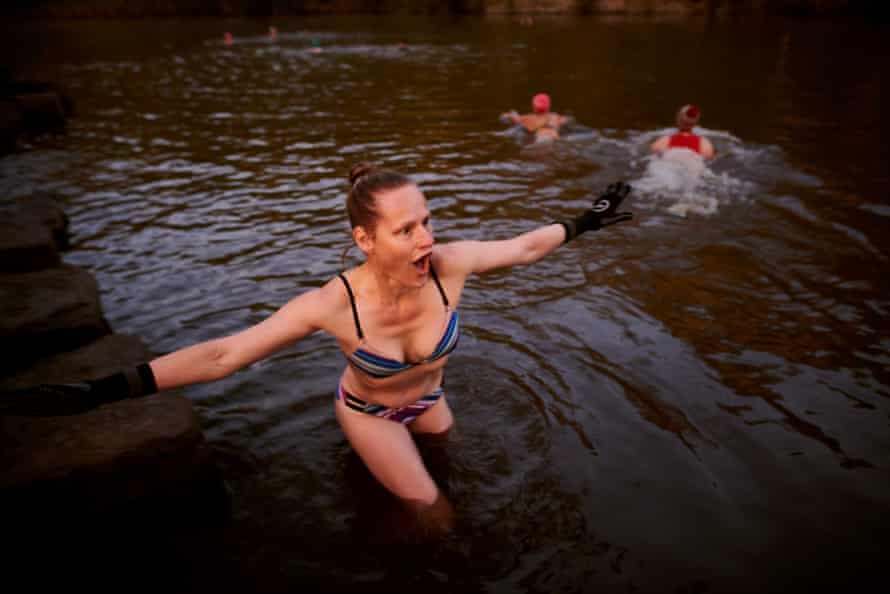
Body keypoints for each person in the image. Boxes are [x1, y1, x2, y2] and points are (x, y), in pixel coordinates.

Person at [30, 163, 633, 534]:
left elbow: (524, 247)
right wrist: (102, 390)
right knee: (436, 514)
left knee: (452, 454)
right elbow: (222, 357)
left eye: (428, 220)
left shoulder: (451, 265)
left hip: (432, 400)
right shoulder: (331, 303)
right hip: (371, 414)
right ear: (364, 239)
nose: (426, 239)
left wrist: (587, 221)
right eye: (406, 230)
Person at [650, 104, 716, 159]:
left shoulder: (665, 140)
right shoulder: (704, 143)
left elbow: (651, 153)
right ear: (695, 123)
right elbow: (710, 158)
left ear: (678, 120)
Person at [501, 93, 570, 141]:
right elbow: (566, 120)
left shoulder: (529, 118)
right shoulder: (555, 116)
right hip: (555, 137)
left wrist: (511, 114)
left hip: (540, 138)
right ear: (549, 106)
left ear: (534, 107)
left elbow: (516, 119)